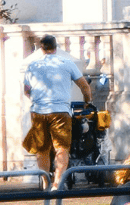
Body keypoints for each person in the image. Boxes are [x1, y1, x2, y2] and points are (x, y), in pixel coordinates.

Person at [21, 34, 91, 186]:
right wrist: (87, 101)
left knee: (43, 149)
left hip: (38, 110)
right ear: (56, 47)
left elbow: (26, 90)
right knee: (62, 148)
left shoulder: (33, 65)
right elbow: (84, 86)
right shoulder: (66, 63)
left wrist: (36, 98)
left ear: (41, 48)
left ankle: (46, 181)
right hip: (60, 110)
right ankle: (57, 183)